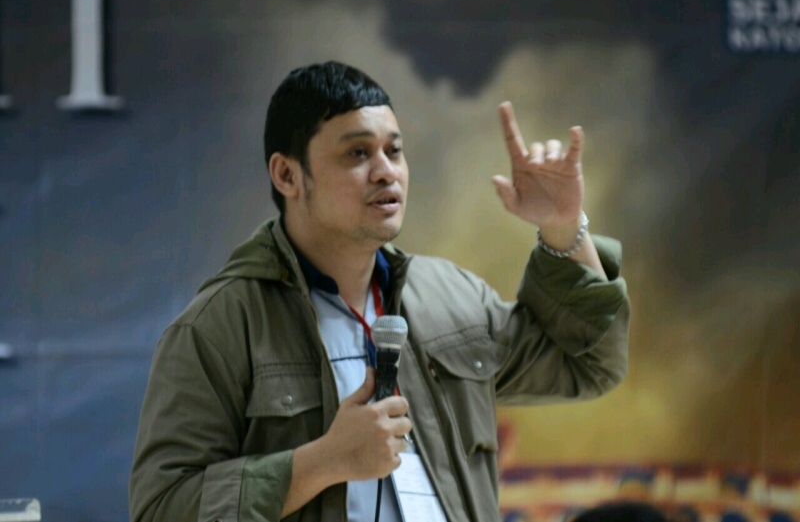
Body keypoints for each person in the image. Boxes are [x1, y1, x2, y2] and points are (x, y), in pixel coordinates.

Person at [129, 60, 630, 522]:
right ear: (287, 175)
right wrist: (322, 462)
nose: (386, 171)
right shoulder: (220, 327)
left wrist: (564, 227)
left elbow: (589, 363)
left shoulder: (450, 298)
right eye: (357, 153)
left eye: (394, 150)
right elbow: (161, 508)